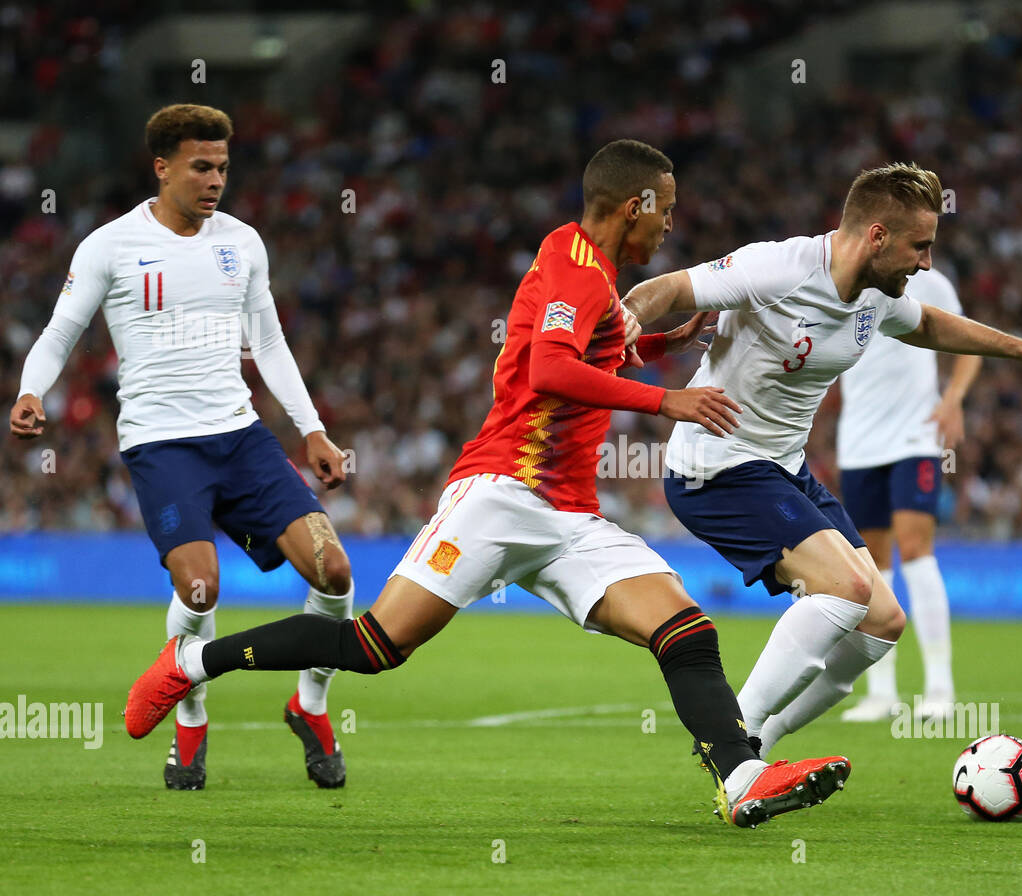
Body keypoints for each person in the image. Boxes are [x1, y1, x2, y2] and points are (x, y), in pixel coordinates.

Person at [126, 139, 852, 828]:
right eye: (666, 207)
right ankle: (192, 660)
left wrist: (659, 344)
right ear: (634, 203)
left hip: (568, 517)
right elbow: (549, 369)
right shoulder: (574, 261)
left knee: (685, 629)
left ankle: (740, 780)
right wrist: (669, 399)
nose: (669, 225)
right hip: (501, 495)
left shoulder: (589, 271)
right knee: (376, 646)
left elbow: (584, 355)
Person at [620, 162, 1022, 758]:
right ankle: (731, 744)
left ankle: (760, 739)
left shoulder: (878, 296)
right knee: (843, 588)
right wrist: (625, 319)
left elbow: (930, 326)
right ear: (876, 236)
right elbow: (669, 288)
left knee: (882, 620)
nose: (925, 263)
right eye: (919, 247)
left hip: (782, 469)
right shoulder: (780, 269)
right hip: (716, 466)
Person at [10, 104, 355, 791]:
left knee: (336, 573)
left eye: (223, 167)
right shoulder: (108, 246)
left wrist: (311, 427)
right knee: (200, 587)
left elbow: (271, 343)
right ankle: (191, 717)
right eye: (201, 166)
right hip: (163, 445)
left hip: (241, 437)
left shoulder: (243, 244)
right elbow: (59, 331)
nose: (215, 180)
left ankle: (310, 704)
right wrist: (30, 392)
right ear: (161, 168)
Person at [837, 265, 977, 722]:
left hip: (916, 439)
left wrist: (953, 397)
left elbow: (970, 340)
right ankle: (882, 691)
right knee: (871, 564)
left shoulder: (931, 283)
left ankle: (940, 686)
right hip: (858, 442)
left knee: (916, 551)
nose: (925, 257)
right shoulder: (839, 280)